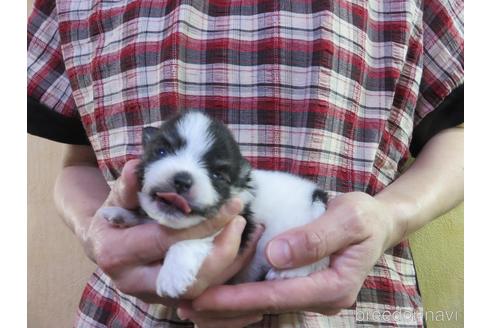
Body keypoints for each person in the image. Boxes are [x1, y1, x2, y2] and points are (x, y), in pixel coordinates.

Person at [27, 0, 463, 326]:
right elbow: (78, 162)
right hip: (134, 313)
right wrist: (94, 230)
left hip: (353, 307)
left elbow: (465, 134)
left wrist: (388, 217)